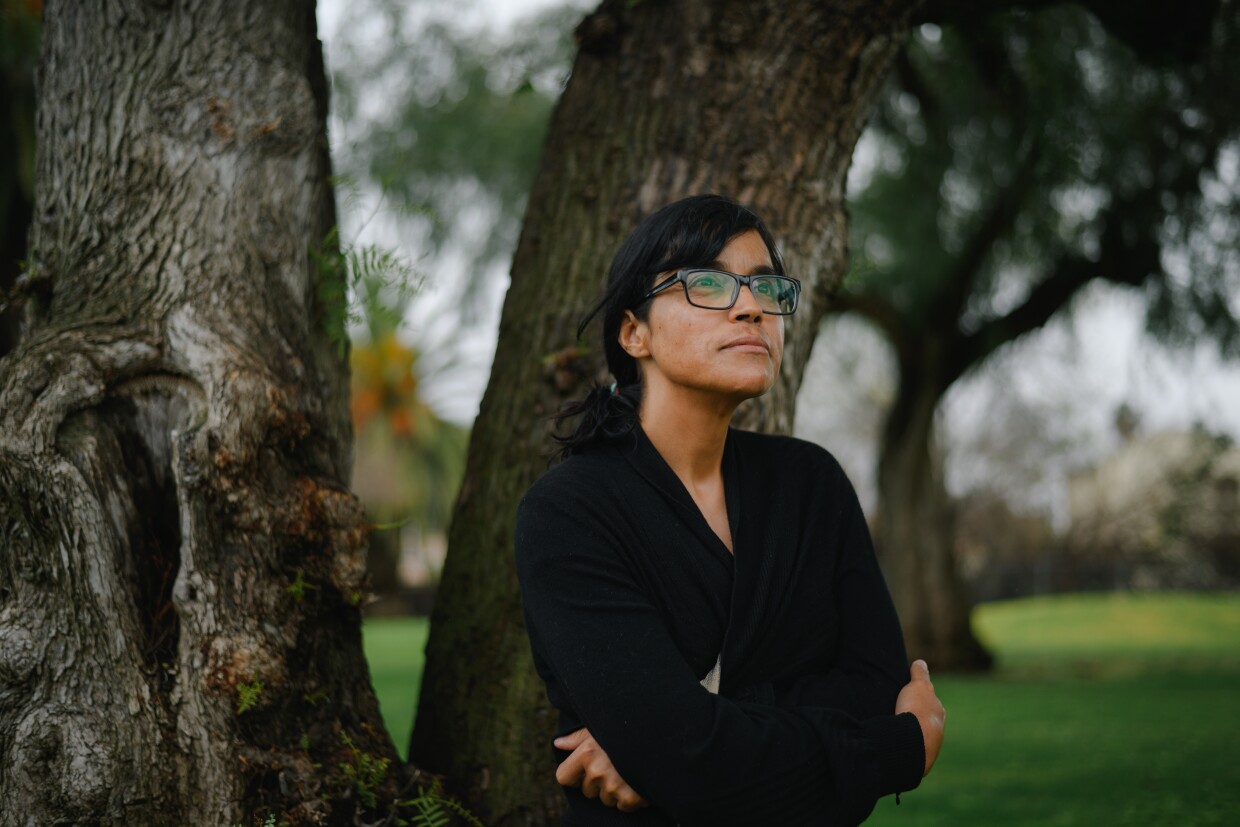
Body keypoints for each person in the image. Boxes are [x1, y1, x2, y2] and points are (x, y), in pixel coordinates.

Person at [514, 194, 945, 826]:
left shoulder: (812, 485)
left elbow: (875, 687)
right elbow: (686, 751)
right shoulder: (568, 514)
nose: (750, 307)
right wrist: (902, 748)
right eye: (708, 284)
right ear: (634, 332)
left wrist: (662, 746)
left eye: (766, 289)